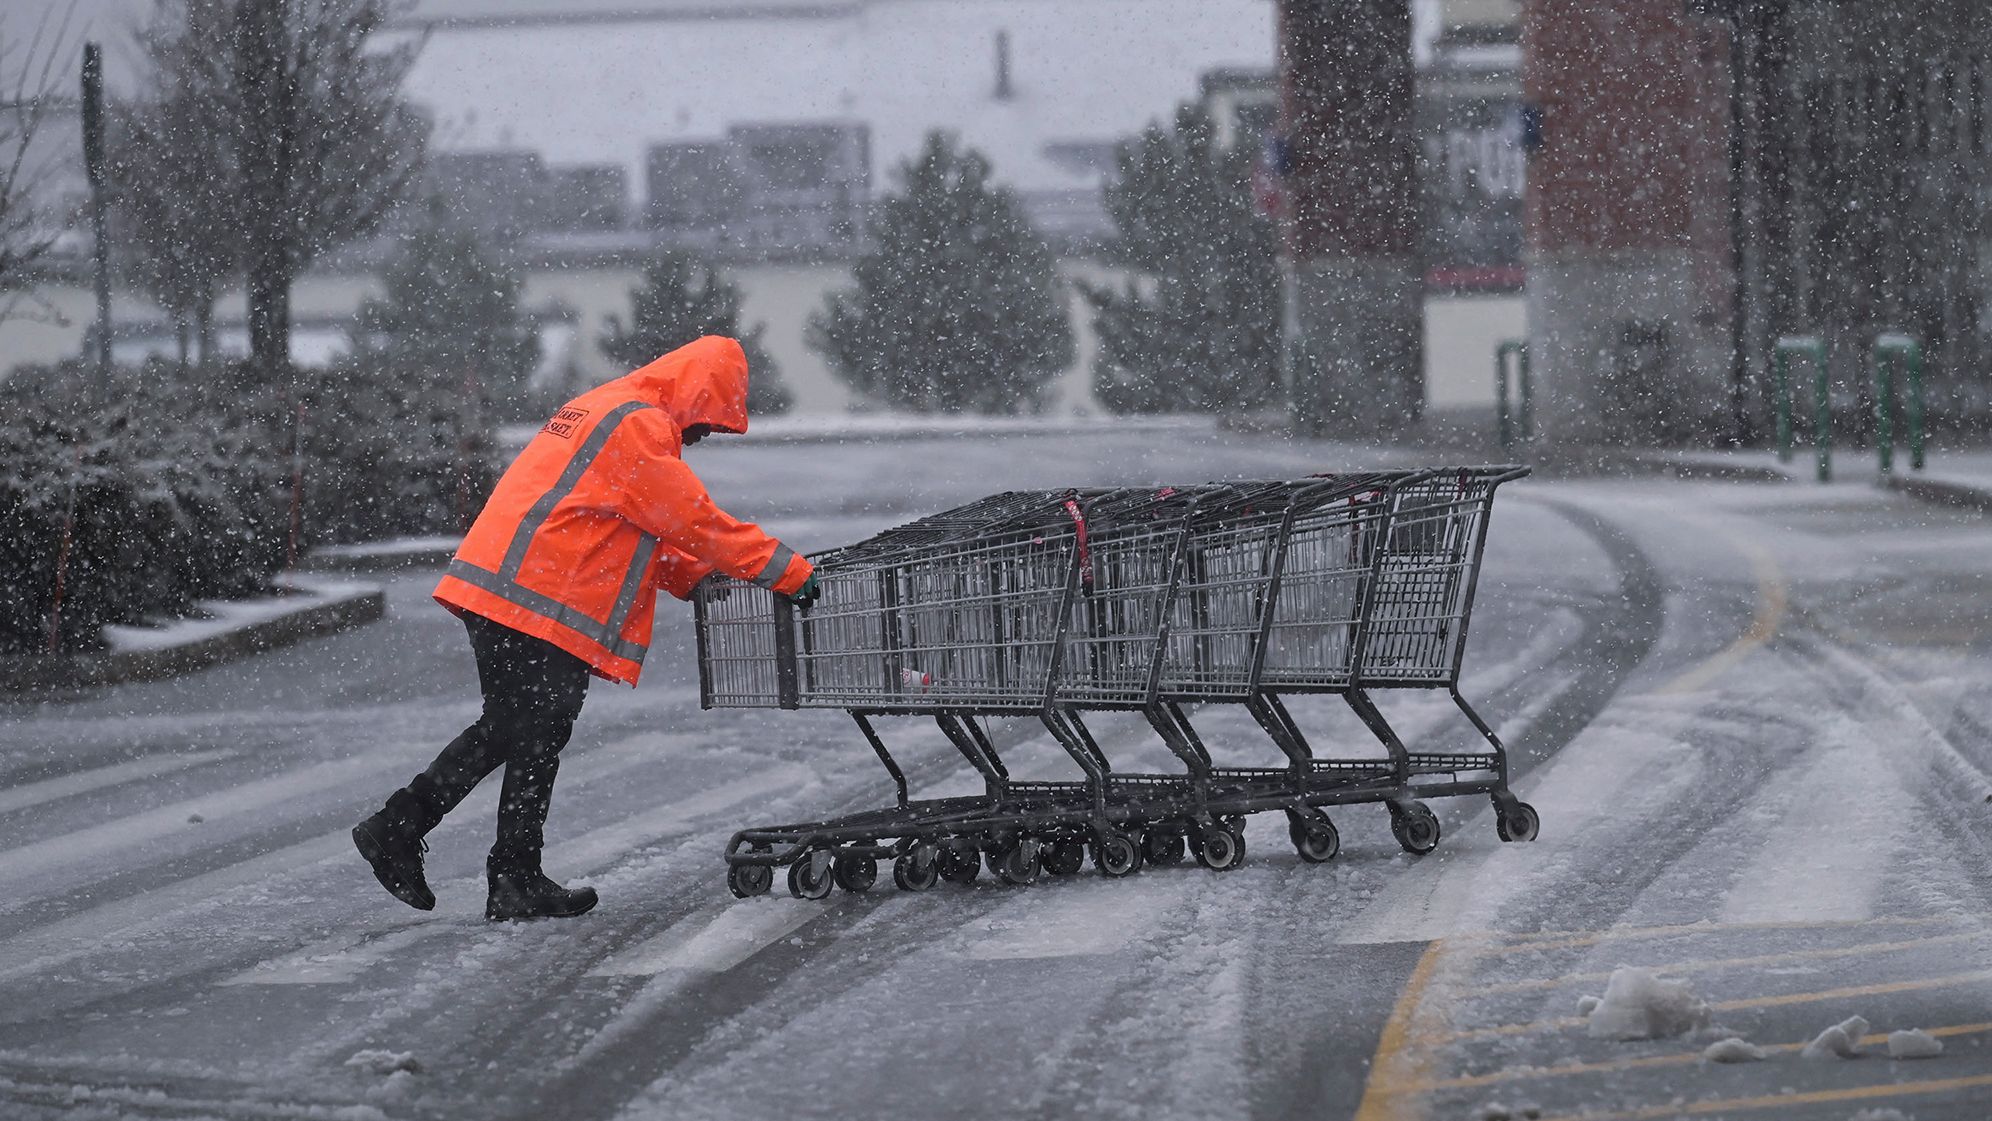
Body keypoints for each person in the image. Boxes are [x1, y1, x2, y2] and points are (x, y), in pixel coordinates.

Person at [352, 335, 819, 920]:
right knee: (523, 727)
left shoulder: (610, 407)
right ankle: (410, 831)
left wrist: (696, 580)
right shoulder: (638, 425)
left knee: (526, 731)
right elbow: (693, 520)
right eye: (709, 421)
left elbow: (633, 524)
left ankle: (504, 872)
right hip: (531, 597)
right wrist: (788, 571)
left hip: (510, 589)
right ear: (695, 394)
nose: (703, 436)